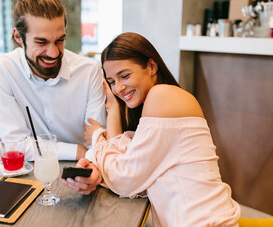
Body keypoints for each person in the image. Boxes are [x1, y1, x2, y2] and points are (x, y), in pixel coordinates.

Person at [64, 32, 241, 226]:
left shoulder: (162, 97)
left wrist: (97, 137)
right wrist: (114, 108)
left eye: (125, 76)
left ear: (151, 66)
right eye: (112, 82)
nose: (119, 88)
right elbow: (130, 168)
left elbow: (124, 179)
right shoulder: (158, 103)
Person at [0, 0, 106, 163]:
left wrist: (83, 154)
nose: (53, 53)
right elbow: (14, 146)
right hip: (32, 172)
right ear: (18, 37)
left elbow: (97, 141)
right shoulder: (3, 69)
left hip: (85, 165)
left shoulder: (89, 71)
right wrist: (76, 151)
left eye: (59, 40)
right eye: (41, 42)